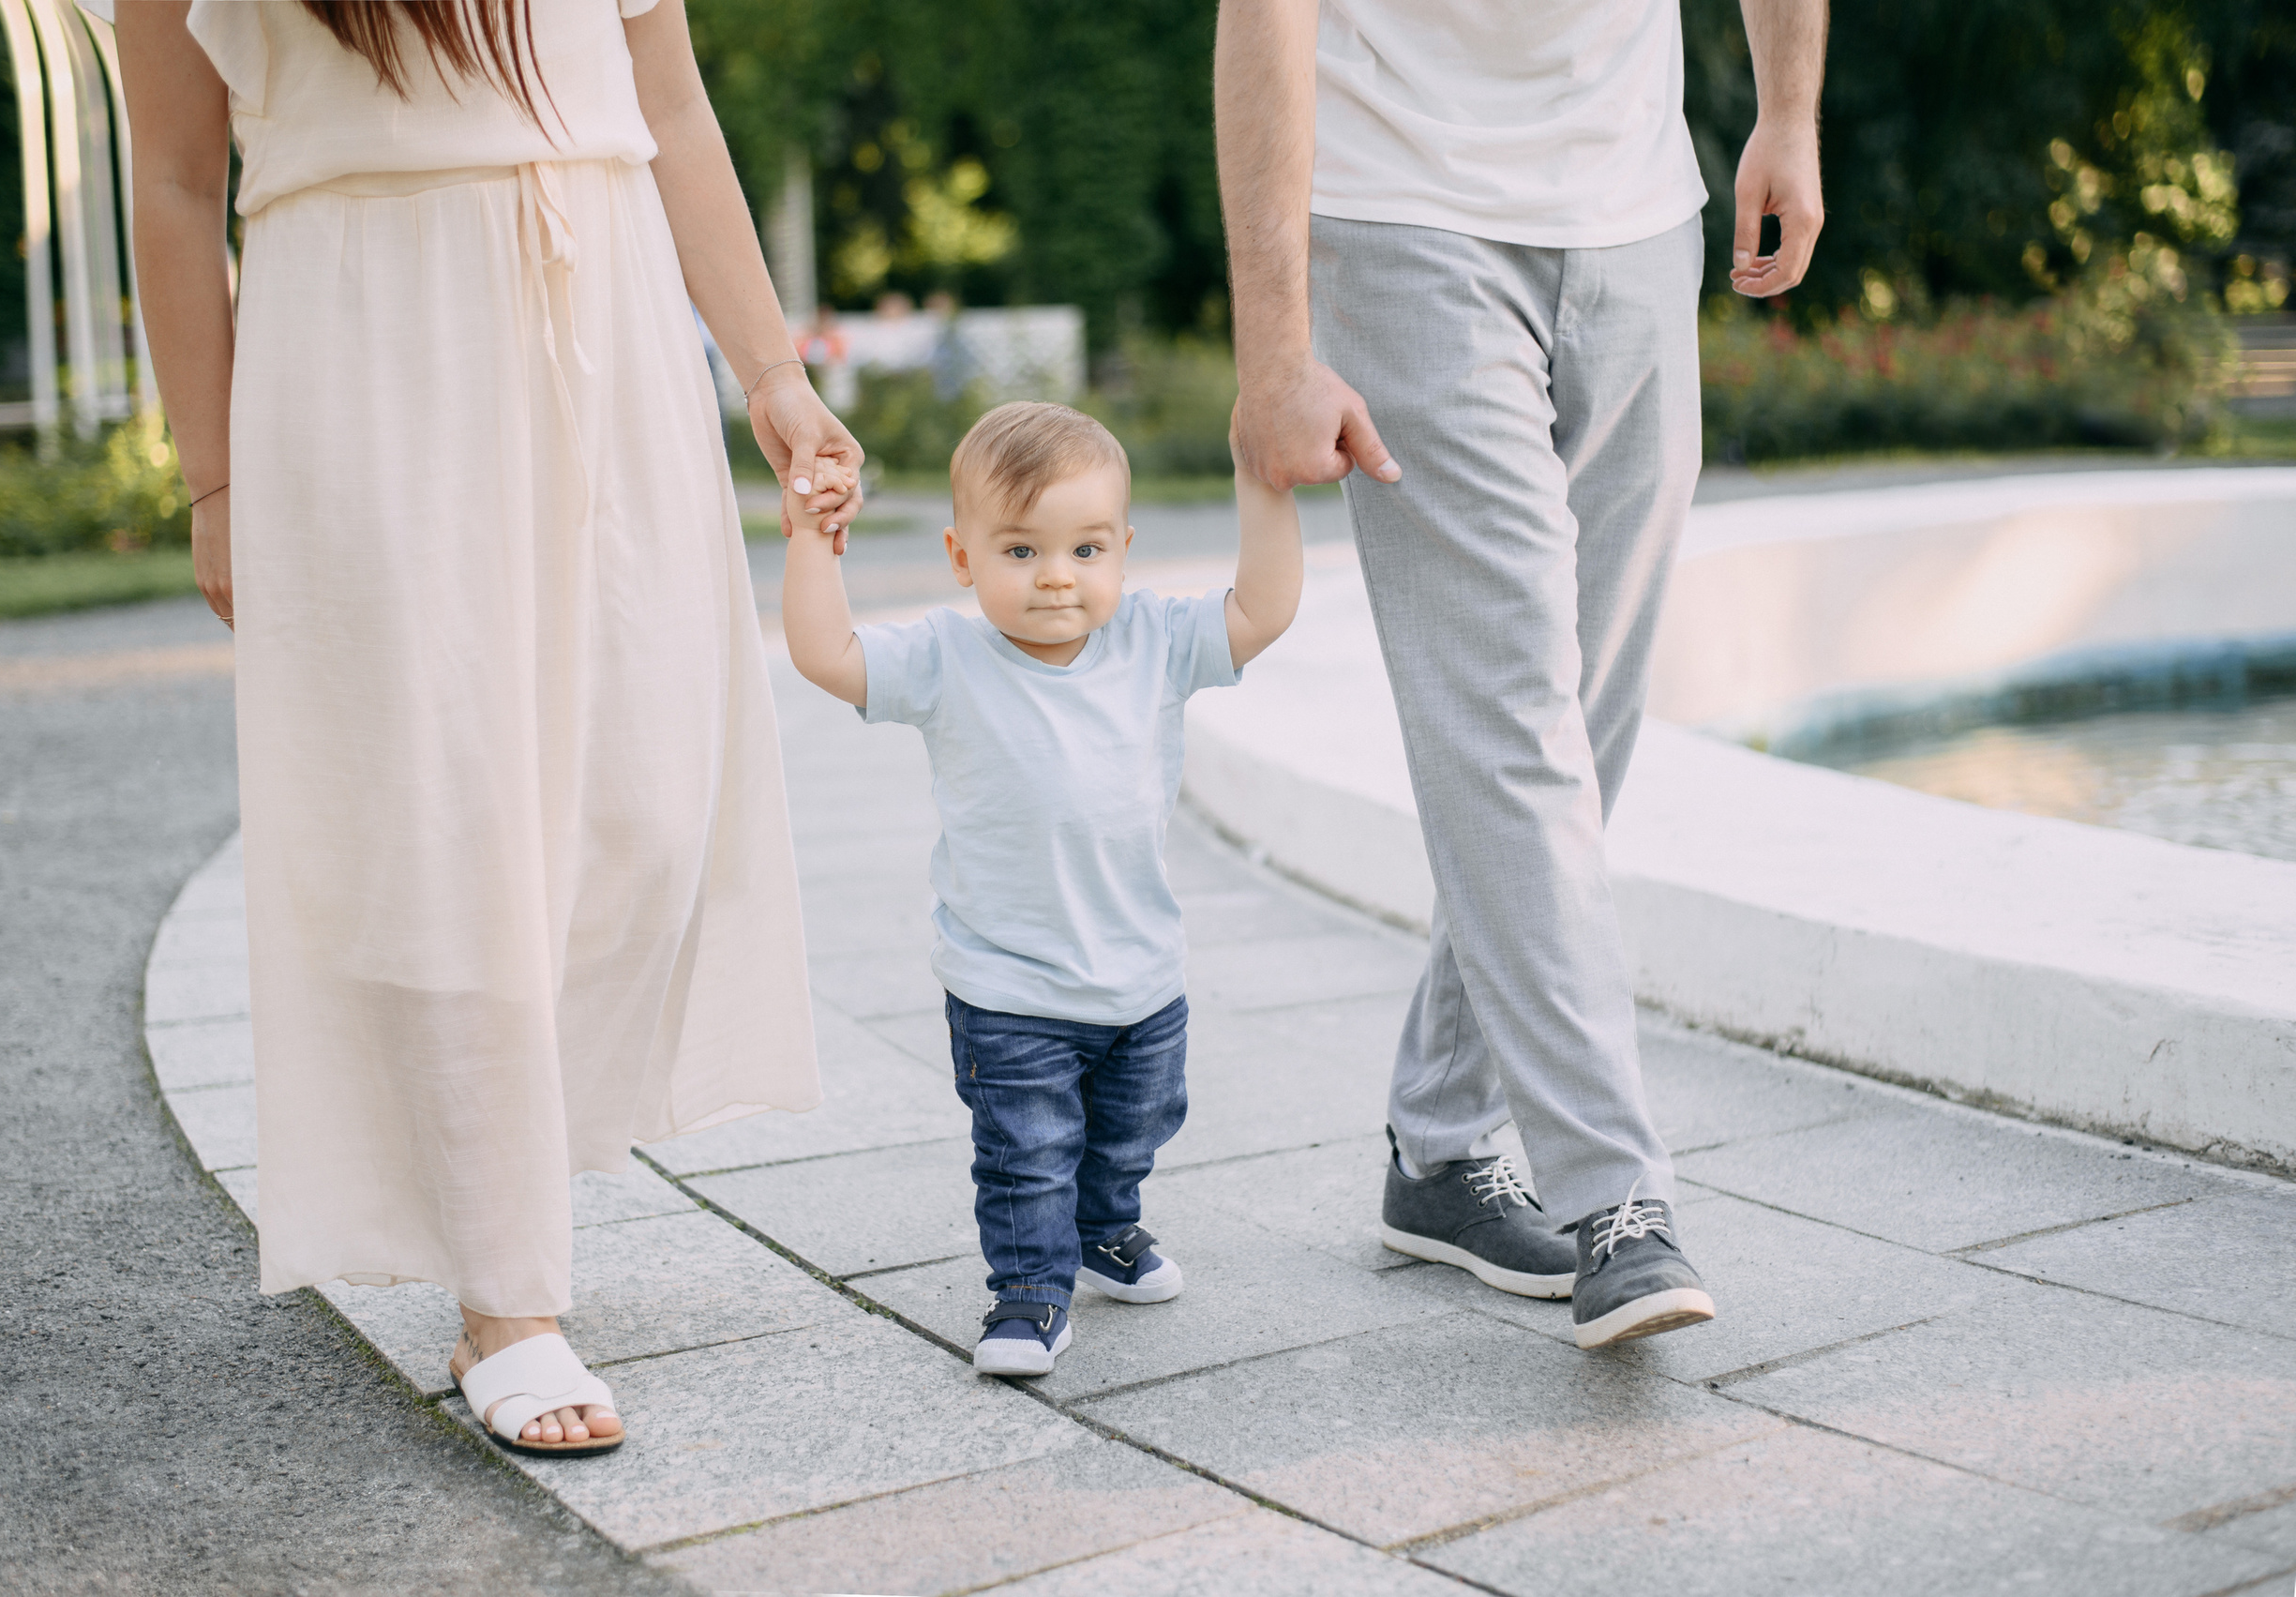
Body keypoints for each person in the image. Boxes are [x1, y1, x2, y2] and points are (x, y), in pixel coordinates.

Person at [113, 0, 864, 1452]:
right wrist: (213, 480)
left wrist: (771, 373)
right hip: (363, 341)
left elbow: (676, 105)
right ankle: (503, 1295)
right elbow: (171, 179)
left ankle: (494, 1148)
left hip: (611, 322)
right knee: (451, 825)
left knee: (646, 810)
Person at [1213, 0, 1826, 1348]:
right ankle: (1618, 1194)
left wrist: (1788, 107)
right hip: (1402, 210)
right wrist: (1274, 347)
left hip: (1638, 211)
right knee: (1510, 723)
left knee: (1585, 721)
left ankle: (1437, 1143)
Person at [777, 401, 1304, 1376]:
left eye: (1085, 548)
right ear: (961, 554)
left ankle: (1106, 1226)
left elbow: (1261, 609)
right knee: (1027, 1152)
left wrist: (1260, 479)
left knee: (1132, 1130)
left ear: (1122, 549)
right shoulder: (944, 657)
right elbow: (826, 655)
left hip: (1141, 976)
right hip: (1006, 986)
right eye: (1020, 550)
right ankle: (1027, 1291)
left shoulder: (1153, 638)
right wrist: (814, 542)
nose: (1056, 575)